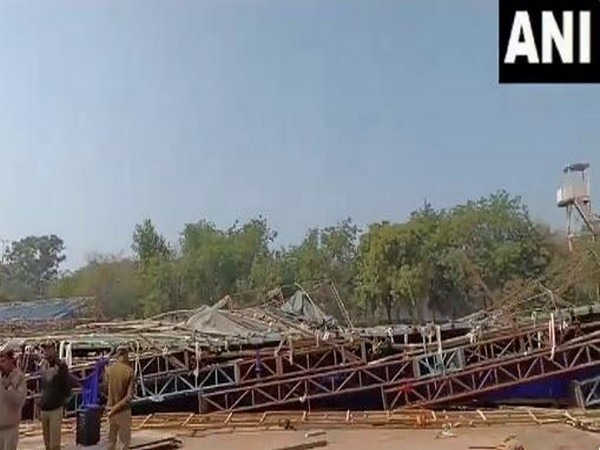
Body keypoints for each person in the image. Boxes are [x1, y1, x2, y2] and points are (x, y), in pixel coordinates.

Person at [38, 342, 78, 450]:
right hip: (44, 408)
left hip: (55, 408)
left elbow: (67, 387)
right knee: (47, 443)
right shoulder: (42, 365)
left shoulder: (61, 366)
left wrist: (63, 403)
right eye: (44, 350)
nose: (45, 352)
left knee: (54, 444)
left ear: (53, 349)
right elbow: (42, 387)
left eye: (47, 349)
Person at [103, 346, 135, 450]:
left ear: (117, 355)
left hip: (110, 411)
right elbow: (129, 397)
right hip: (123, 412)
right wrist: (116, 408)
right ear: (126, 355)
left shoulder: (109, 370)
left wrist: (111, 408)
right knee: (124, 444)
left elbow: (104, 389)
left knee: (110, 443)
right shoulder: (129, 371)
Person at [0, 348, 26, 450]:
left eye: (3, 361)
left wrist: (9, 388)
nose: (1, 365)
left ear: (11, 360)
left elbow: (20, 400)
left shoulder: (19, 377)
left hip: (10, 427)